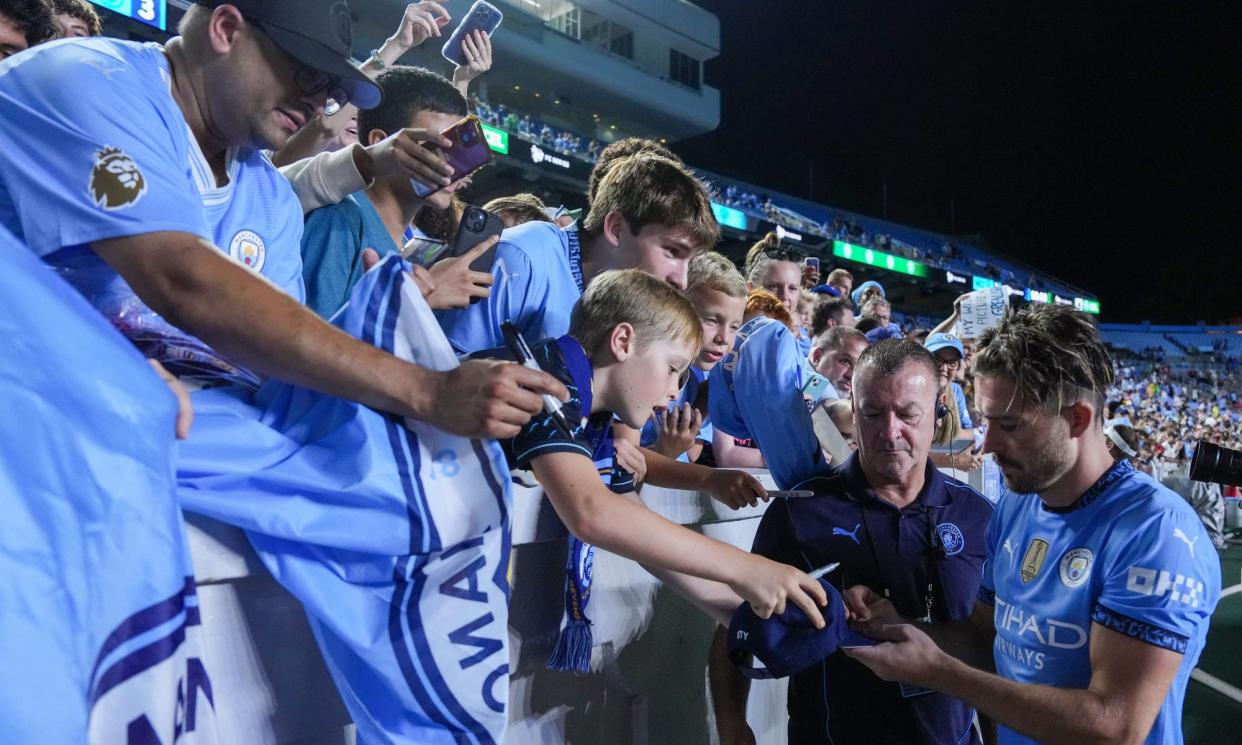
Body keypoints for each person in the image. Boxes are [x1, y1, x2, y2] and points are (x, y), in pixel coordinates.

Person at [0, 0, 560, 439]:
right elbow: (181, 280)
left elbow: (274, 368)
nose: (319, 102)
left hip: (193, 429)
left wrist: (375, 321)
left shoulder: (265, 193)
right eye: (306, 73)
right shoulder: (86, 79)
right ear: (225, 30)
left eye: (333, 89)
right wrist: (426, 390)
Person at [844, 305, 1221, 745]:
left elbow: (1115, 727)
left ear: (1077, 419)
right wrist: (902, 627)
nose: (988, 445)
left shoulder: (1155, 532)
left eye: (1010, 424)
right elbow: (985, 641)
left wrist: (940, 673)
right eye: (986, 421)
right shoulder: (1016, 505)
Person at [487, 269, 829, 670]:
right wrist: (746, 568)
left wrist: (737, 613)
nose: (673, 391)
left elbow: (634, 522)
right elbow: (591, 512)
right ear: (623, 341)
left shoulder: (594, 418)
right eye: (671, 368)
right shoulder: (552, 377)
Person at [711, 339, 995, 745]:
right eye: (873, 413)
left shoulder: (978, 516)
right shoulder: (801, 513)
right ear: (853, 412)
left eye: (907, 415)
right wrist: (732, 726)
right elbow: (731, 625)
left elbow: (988, 650)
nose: (888, 431)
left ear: (938, 415)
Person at [437, 151, 718, 353]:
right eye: (672, 251)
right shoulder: (523, 256)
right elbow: (442, 369)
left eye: (690, 260)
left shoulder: (630, 303)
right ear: (617, 229)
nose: (681, 281)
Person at [300, 65, 490, 319]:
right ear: (381, 143)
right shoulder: (340, 221)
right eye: (436, 149)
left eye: (458, 152)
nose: (451, 168)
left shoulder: (413, 245)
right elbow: (302, 345)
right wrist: (418, 300)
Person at [925, 332, 983, 473]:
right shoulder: (908, 391)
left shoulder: (955, 390)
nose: (944, 368)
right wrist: (953, 460)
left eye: (952, 363)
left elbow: (969, 434)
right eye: (937, 360)